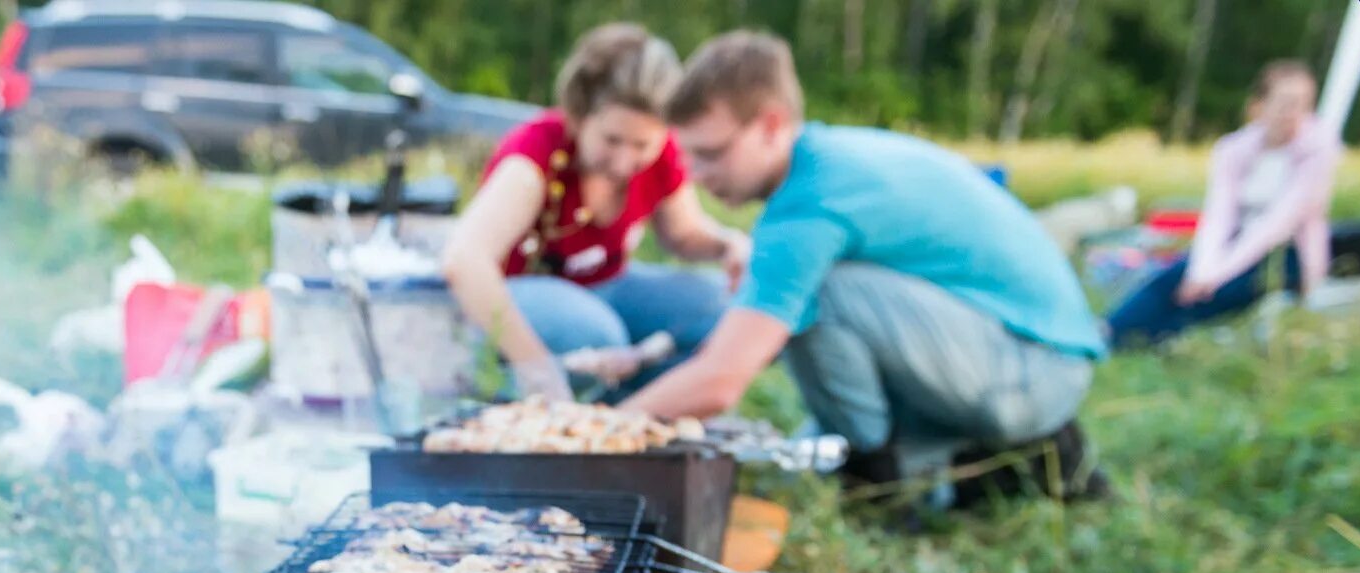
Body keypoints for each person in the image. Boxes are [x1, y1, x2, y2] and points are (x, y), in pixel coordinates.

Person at [621, 33, 1108, 506]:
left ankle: (876, 476)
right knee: (800, 453)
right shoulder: (832, 160)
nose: (696, 176)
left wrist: (599, 428)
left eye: (710, 154)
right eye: (688, 157)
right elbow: (741, 342)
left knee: (821, 295)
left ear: (771, 125)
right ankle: (991, 466)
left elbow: (722, 378)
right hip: (1019, 355)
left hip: (1033, 371)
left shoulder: (809, 205)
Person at [441, 23, 750, 402]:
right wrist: (537, 370)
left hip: (608, 287)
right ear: (581, 114)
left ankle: (634, 413)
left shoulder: (663, 153)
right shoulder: (537, 156)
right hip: (516, 302)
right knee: (597, 333)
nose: (624, 162)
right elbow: (463, 260)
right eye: (612, 140)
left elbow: (683, 234)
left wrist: (728, 245)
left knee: (737, 310)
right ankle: (556, 406)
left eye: (641, 145)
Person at [1108, 61, 1341, 348]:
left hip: (1285, 255)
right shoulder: (1234, 149)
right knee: (1170, 278)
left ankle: (1143, 342)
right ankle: (1107, 331)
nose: (1294, 114)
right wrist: (1201, 270)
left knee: (1214, 294)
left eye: (1303, 104)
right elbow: (1219, 215)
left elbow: (1278, 224)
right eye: (1286, 103)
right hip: (1235, 242)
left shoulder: (1318, 147)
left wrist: (1214, 276)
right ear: (1260, 105)